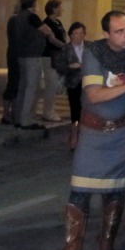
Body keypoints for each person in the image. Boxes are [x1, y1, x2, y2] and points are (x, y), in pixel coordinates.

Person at [50, 11, 125, 250]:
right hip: (94, 133)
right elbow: (94, 95)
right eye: (119, 31)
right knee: (79, 191)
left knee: (115, 190)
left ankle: (106, 244)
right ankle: (73, 249)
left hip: (124, 132)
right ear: (106, 34)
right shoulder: (94, 53)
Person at [11, 0, 53, 130]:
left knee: (23, 86)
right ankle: (26, 119)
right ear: (33, 2)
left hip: (21, 54)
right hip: (32, 54)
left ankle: (18, 117)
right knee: (31, 87)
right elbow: (46, 30)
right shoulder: (31, 17)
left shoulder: (18, 17)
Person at [54, 22, 87, 152]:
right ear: (70, 35)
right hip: (73, 82)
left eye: (80, 33)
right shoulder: (65, 49)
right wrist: (69, 67)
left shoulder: (90, 47)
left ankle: (84, 135)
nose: (78, 36)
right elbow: (59, 66)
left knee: (86, 108)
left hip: (88, 82)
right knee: (75, 109)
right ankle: (74, 134)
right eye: (75, 33)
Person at [41, 0, 68, 123]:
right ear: (54, 8)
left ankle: (51, 110)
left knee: (55, 84)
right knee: (51, 84)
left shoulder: (58, 22)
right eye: (60, 7)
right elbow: (51, 39)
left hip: (58, 55)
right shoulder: (47, 23)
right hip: (49, 56)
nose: (62, 10)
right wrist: (65, 46)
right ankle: (48, 111)